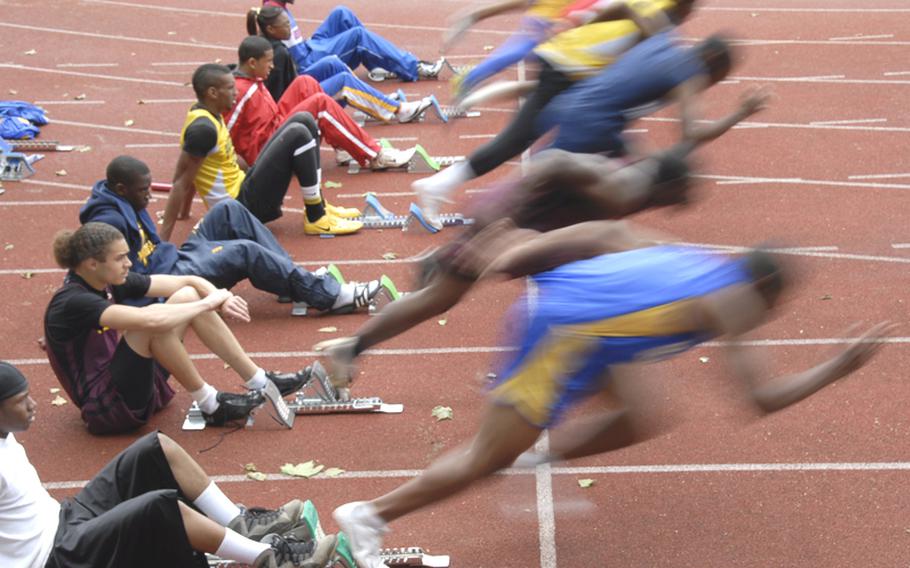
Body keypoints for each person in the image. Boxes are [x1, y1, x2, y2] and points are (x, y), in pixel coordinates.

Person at [331, 221, 894, 567]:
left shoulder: (692, 256)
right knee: (484, 459)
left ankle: (537, 451)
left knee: (644, 415)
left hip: (581, 322)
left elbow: (607, 232)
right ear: (767, 291)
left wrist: (513, 257)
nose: (773, 314)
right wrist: (837, 367)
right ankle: (370, 515)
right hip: (561, 336)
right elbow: (759, 399)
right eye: (780, 304)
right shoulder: (737, 302)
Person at [317, 145, 694, 392]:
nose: (677, 206)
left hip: (536, 232)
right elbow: (554, 161)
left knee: (573, 302)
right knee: (440, 298)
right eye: (680, 198)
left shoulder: (636, 183)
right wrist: (497, 221)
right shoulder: (622, 189)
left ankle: (529, 372)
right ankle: (351, 347)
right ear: (669, 187)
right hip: (512, 224)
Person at [0, 361, 338, 568]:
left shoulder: (5, 431)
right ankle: (269, 560)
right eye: (20, 401)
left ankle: (240, 525)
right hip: (58, 557)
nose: (33, 406)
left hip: (67, 519)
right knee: (160, 507)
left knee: (155, 449)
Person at [413, 1, 704, 228]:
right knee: (522, 139)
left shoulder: (660, 14)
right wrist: (581, 22)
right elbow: (624, 9)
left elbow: (618, 12)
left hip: (573, 64)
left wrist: (580, 21)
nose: (694, 11)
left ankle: (509, 199)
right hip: (570, 65)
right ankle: (453, 191)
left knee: (545, 137)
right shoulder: (661, 12)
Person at [43, 222, 309, 434]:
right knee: (151, 320)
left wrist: (221, 297)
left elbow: (187, 281)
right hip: (108, 408)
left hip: (136, 384)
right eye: (121, 258)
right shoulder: (72, 301)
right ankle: (211, 404)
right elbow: (151, 321)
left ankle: (259, 381)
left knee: (187, 296)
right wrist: (208, 304)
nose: (128, 263)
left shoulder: (106, 279)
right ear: (92, 264)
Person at [81, 156, 384, 313]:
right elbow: (91, 269)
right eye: (143, 191)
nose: (149, 196)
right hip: (164, 283)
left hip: (171, 260)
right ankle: (329, 297)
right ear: (121, 189)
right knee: (243, 251)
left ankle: (290, 280)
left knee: (229, 210)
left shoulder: (121, 198)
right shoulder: (106, 222)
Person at [162, 63, 361, 241]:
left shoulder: (209, 113)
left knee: (303, 119)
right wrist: (162, 243)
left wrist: (185, 213)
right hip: (238, 211)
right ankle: (316, 217)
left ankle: (320, 206)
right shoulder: (202, 130)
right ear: (212, 93)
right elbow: (182, 180)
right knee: (298, 133)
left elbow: (197, 170)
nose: (236, 93)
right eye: (231, 88)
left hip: (245, 190)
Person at [229, 35, 413, 171]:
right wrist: (237, 168)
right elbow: (222, 130)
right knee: (321, 103)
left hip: (274, 128)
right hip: (268, 152)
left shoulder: (253, 80)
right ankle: (375, 155)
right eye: (268, 62)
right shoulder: (240, 91)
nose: (272, 66)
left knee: (305, 82)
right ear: (252, 63)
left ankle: (343, 146)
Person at [247, 7, 434, 123]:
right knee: (343, 78)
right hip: (293, 98)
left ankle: (373, 95)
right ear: (271, 29)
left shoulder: (273, 34)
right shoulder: (277, 54)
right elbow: (283, 93)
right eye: (285, 24)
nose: (289, 27)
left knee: (334, 61)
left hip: (307, 55)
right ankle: (398, 109)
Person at [261, 1, 445, 82]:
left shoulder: (277, 7)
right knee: (358, 36)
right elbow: (296, 64)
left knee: (341, 13)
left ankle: (377, 65)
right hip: (309, 63)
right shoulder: (274, 15)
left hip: (310, 47)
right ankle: (412, 67)